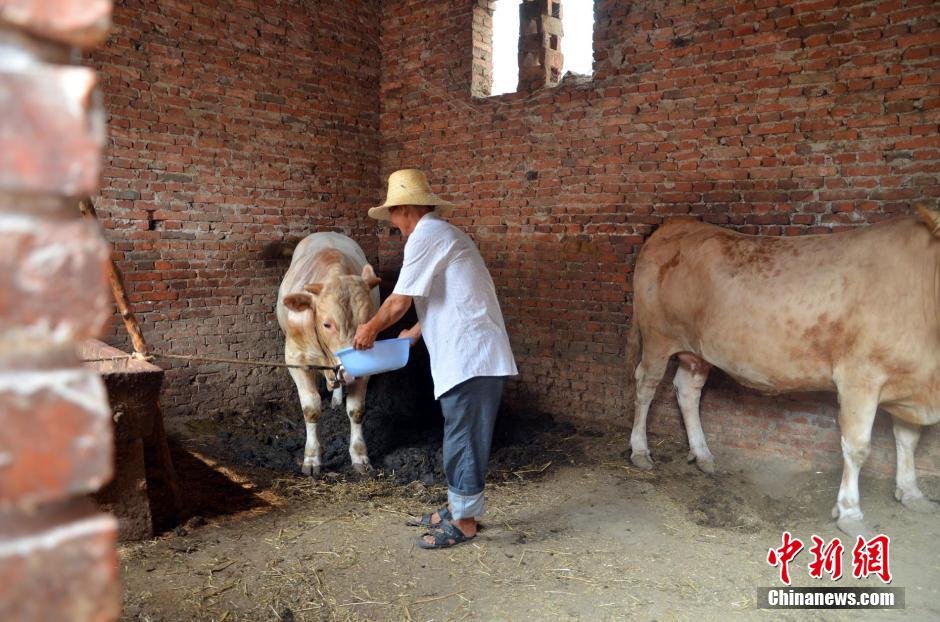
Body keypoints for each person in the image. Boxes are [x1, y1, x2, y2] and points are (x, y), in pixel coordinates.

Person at [353, 168, 517, 549]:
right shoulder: (443, 235)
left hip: (473, 359)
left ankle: (464, 524)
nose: (393, 223)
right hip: (470, 356)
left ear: (405, 209)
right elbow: (447, 296)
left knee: (463, 438)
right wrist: (411, 335)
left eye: (392, 214)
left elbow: (397, 302)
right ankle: (458, 507)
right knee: (459, 434)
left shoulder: (427, 235)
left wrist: (370, 329)